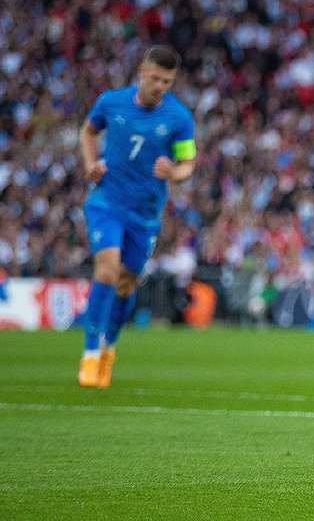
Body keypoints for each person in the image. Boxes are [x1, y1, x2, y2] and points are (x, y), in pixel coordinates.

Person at [78, 46, 196, 388]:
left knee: (127, 282)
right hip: (106, 202)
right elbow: (88, 131)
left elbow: (188, 163)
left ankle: (109, 346)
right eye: (156, 78)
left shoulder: (178, 118)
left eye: (168, 81)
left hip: (145, 213)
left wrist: (175, 173)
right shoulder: (111, 102)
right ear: (142, 71)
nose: (160, 86)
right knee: (107, 269)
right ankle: (89, 354)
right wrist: (90, 164)